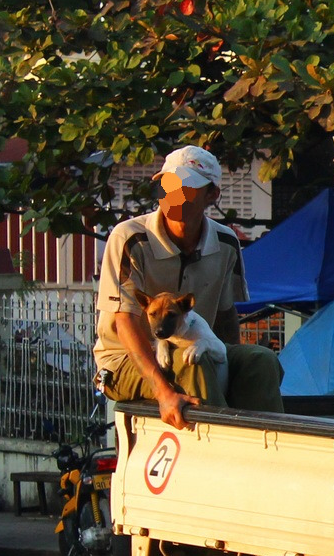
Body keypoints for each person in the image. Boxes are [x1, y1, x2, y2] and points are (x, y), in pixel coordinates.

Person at [93, 146, 284, 430]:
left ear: (212, 194)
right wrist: (162, 391)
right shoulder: (130, 237)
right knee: (191, 361)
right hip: (124, 361)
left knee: (261, 360)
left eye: (187, 187)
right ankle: (218, 449)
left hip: (195, 347)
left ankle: (273, 449)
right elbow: (125, 321)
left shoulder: (226, 242)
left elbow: (225, 314)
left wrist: (229, 367)